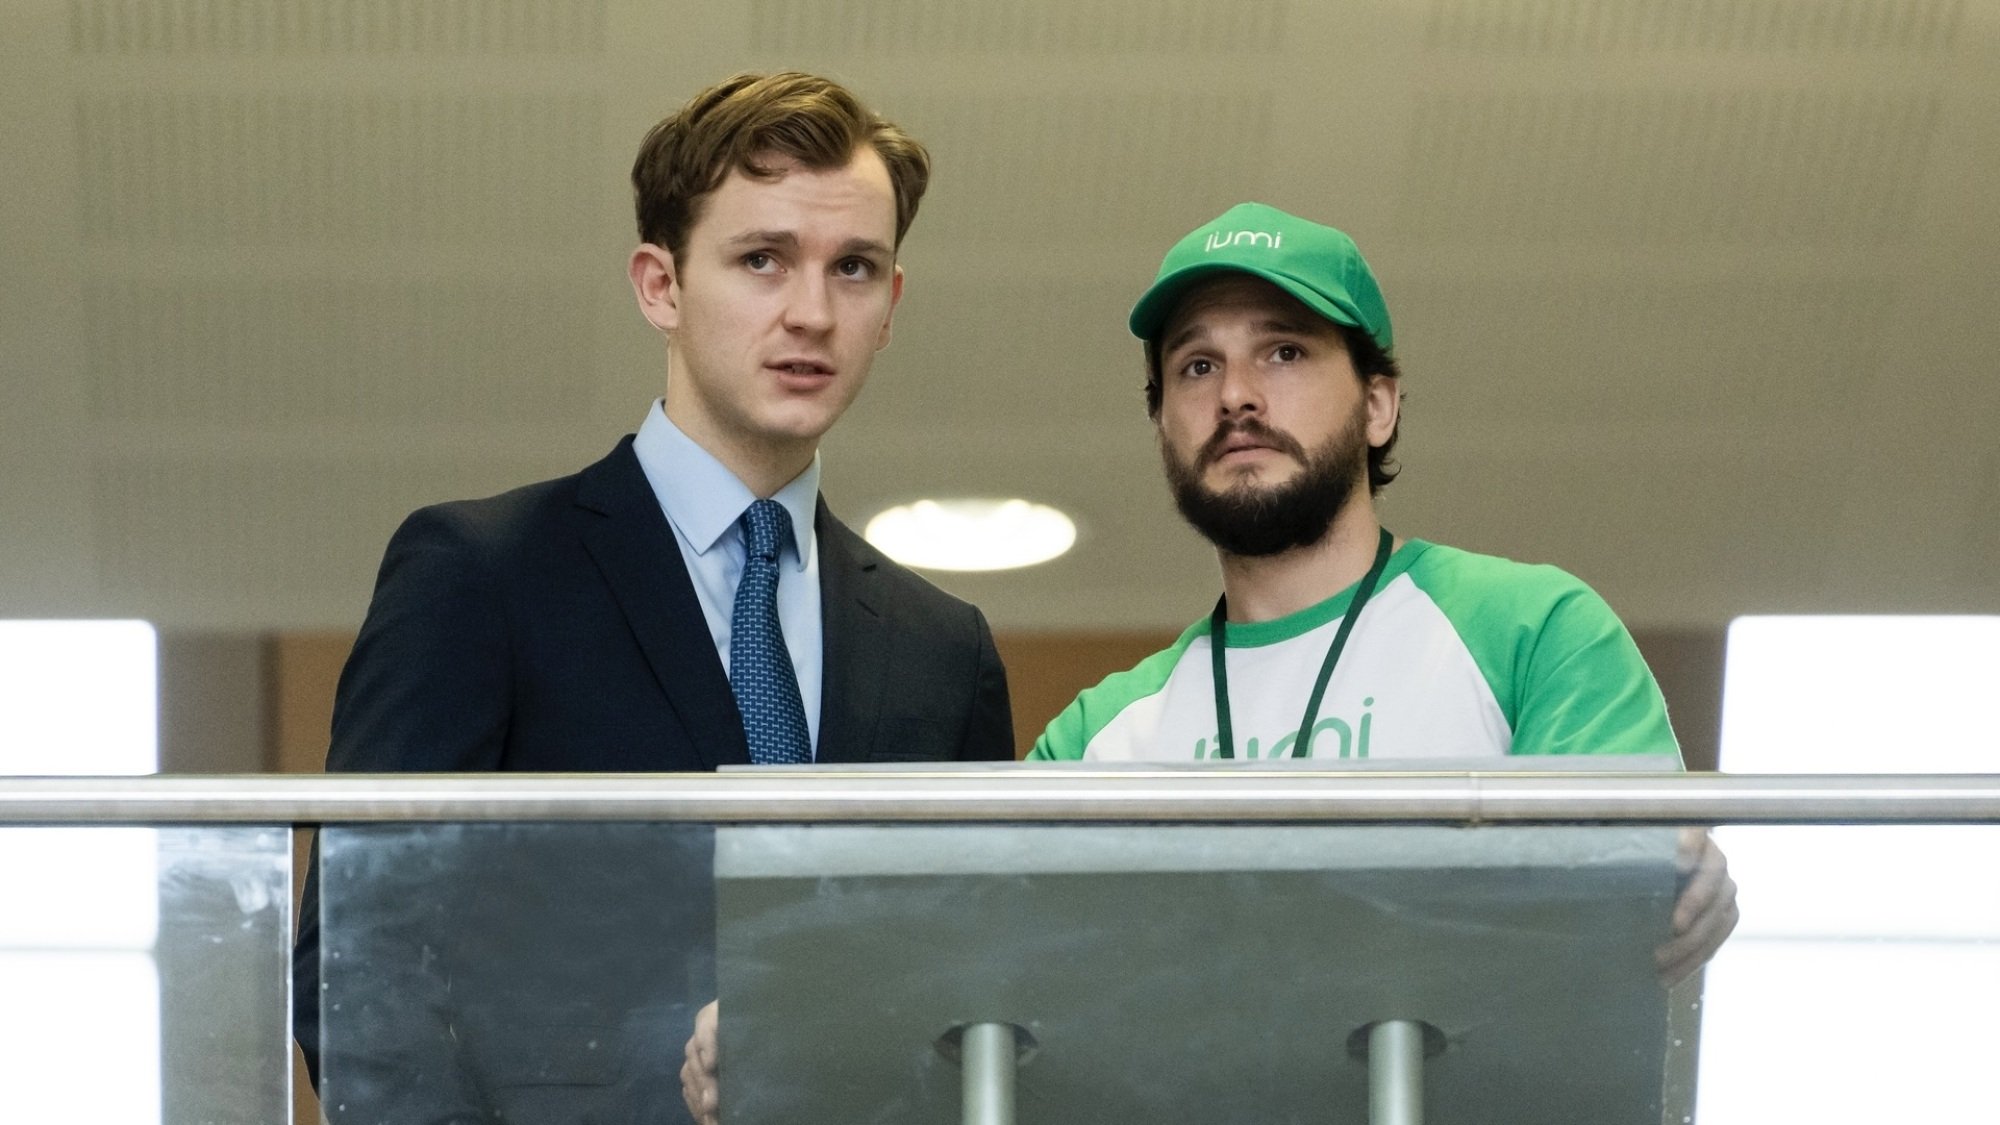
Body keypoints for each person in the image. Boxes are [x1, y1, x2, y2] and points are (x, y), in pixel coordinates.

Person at [676, 203, 1738, 1124]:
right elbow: (946, 984)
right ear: (1161, 423)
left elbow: (1627, 919)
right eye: (1195, 366)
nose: (1236, 394)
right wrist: (785, 1020)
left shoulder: (1529, 626)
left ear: (1377, 401)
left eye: (1282, 351)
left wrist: (1683, 884)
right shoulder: (1098, 736)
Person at [295, 71, 1014, 1124]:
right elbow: (356, 971)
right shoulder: (481, 573)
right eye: (760, 260)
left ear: (890, 305)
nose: (810, 312)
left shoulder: (942, 648)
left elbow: (979, 988)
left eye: (851, 268)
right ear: (659, 286)